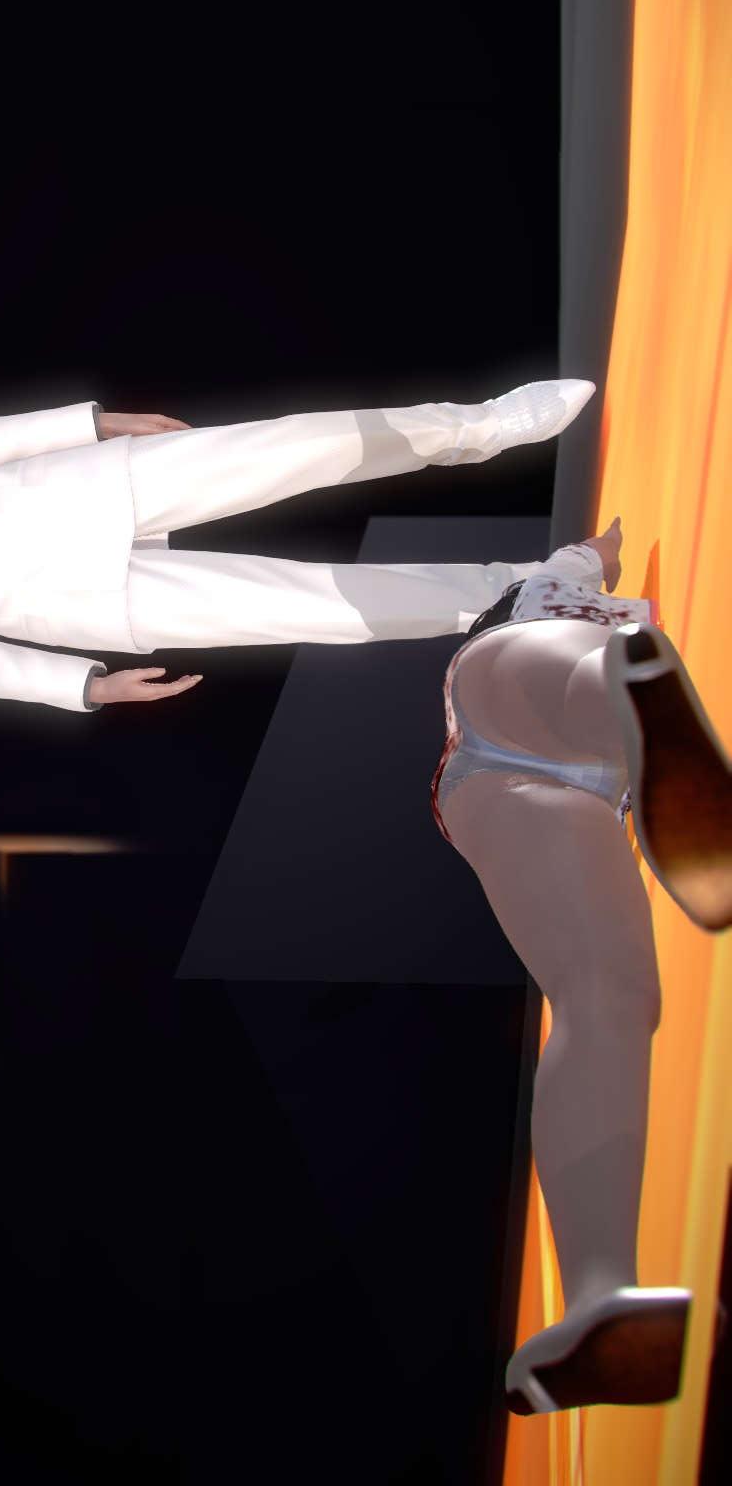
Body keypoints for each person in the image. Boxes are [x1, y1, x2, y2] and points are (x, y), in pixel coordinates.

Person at [0, 378, 593, 711]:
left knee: (300, 445)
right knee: (317, 611)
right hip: (83, 607)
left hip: (80, 490)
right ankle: (518, 591)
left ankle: (483, 426)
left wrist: (89, 425)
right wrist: (84, 687)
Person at [431, 518, 732, 1415]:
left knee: (608, 1001)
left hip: (496, 773)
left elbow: (591, 555)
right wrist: (604, 551)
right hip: (538, 675)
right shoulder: (547, 593)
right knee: (584, 671)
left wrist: (599, 555)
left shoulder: (538, 607)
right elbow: (590, 552)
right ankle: (629, 698)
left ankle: (602, 1298)